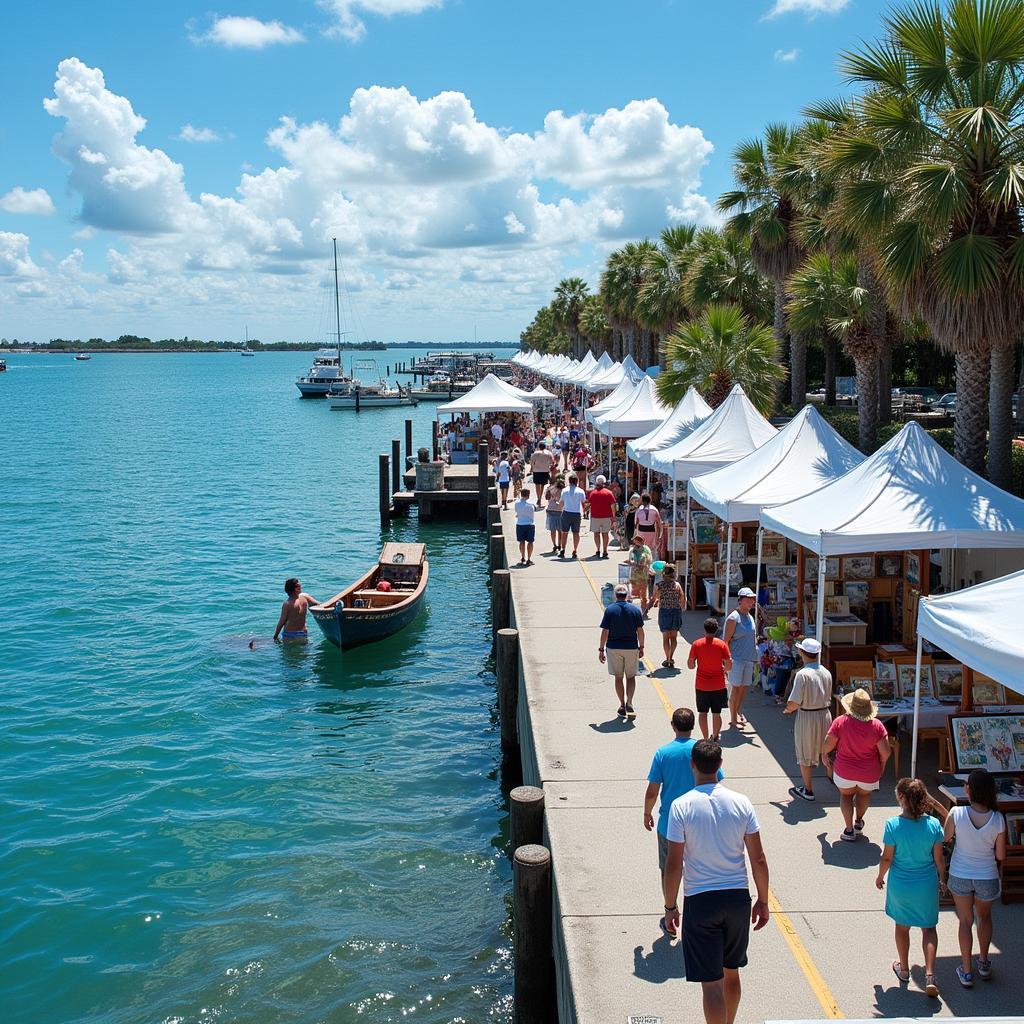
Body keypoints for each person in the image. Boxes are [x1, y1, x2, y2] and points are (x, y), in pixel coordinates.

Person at [662, 740, 770, 1024]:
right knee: (731, 972)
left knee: (711, 984)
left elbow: (674, 864)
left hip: (701, 901)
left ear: (692, 766)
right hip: (737, 899)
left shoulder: (681, 806)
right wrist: (763, 900)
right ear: (721, 765)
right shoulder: (742, 802)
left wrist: (670, 906)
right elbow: (758, 858)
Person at [644, 708, 723, 937]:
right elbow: (717, 781)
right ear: (692, 727)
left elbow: (652, 790)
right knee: (698, 868)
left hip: (669, 823)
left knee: (669, 868)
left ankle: (670, 909)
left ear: (673, 725)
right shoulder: (701, 751)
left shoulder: (662, 754)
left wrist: (647, 813)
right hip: (700, 822)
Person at [876, 778, 945, 999]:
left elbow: (887, 857)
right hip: (926, 884)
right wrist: (943, 879)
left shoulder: (893, 825)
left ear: (902, 798)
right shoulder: (933, 825)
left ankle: (904, 969)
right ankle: (930, 975)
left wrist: (879, 876)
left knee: (902, 927)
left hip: (901, 884)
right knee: (929, 929)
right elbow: (939, 860)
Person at [943, 768, 1006, 987]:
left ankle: (967, 971)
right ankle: (984, 962)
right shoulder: (998, 819)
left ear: (969, 790)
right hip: (986, 876)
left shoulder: (957, 813)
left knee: (965, 921)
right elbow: (1000, 855)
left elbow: (946, 837)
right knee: (984, 918)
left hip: (960, 873)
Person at [821, 688, 891, 840]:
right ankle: (858, 821)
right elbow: (885, 752)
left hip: (844, 771)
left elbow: (827, 744)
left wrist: (824, 754)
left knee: (845, 797)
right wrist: (882, 765)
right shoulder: (877, 726)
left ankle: (849, 830)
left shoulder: (840, 722)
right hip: (869, 772)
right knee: (864, 795)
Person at [782, 638, 833, 802]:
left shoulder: (802, 674)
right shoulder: (826, 672)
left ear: (803, 653)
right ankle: (833, 779)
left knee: (805, 753)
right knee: (827, 750)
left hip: (808, 716)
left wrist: (788, 709)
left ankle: (808, 789)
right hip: (825, 714)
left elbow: (794, 702)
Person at [598, 582, 645, 720]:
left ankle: (621, 705)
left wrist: (601, 649)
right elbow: (640, 631)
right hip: (631, 647)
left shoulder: (610, 610)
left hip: (614, 647)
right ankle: (629, 701)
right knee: (631, 677)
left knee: (618, 677)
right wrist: (641, 647)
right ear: (627, 595)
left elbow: (605, 631)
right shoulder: (635, 610)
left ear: (615, 595)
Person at [688, 617, 733, 741]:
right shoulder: (721, 644)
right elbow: (729, 665)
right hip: (718, 684)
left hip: (701, 685)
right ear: (716, 629)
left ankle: (705, 737)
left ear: (704, 629)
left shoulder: (697, 644)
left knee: (702, 713)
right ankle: (715, 736)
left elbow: (690, 665)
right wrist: (722, 670)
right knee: (716, 713)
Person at [723, 588, 757, 730]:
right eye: (748, 598)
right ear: (740, 600)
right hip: (736, 659)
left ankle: (738, 711)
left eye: (753, 598)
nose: (751, 601)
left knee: (743, 687)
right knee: (735, 689)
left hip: (748, 658)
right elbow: (725, 641)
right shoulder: (733, 618)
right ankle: (733, 719)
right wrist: (726, 660)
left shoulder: (750, 616)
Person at [652, 563, 684, 668]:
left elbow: (655, 597)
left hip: (664, 611)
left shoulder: (659, 585)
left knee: (665, 638)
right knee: (673, 637)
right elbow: (682, 598)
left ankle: (667, 658)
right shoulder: (677, 585)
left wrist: (657, 601)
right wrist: (681, 608)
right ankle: (671, 657)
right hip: (675, 611)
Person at [585, 474, 616, 558]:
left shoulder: (592, 493)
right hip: (607, 516)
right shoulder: (609, 493)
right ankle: (605, 550)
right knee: (605, 534)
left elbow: (588, 504)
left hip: (595, 516)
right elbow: (613, 506)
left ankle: (598, 549)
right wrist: (613, 517)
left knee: (596, 534)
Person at [558, 473, 586, 558]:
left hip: (566, 512)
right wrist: (584, 511)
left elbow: (561, 503)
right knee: (576, 533)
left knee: (564, 533)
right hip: (576, 513)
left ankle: (563, 550)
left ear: (569, 482)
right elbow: (583, 502)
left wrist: (559, 509)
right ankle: (575, 550)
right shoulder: (580, 491)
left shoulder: (564, 490)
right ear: (576, 482)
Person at [634, 493, 662, 557]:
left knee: (641, 547)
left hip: (641, 530)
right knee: (650, 548)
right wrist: (659, 535)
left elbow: (636, 523)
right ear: (650, 500)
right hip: (651, 530)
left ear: (642, 500)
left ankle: (642, 561)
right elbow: (659, 523)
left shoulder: (639, 510)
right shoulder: (654, 509)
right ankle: (649, 562)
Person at [514, 487, 536, 566]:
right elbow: (535, 509)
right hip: (530, 524)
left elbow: (516, 512)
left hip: (520, 524)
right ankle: (529, 559)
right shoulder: (531, 503)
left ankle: (523, 557)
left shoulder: (517, 503)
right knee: (530, 542)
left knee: (521, 542)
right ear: (528, 495)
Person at [529, 442, 554, 510]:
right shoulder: (548, 453)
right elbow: (552, 461)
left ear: (539, 447)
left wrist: (532, 468)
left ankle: (538, 498)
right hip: (545, 470)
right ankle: (540, 497)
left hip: (536, 471)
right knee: (543, 485)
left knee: (537, 484)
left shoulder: (535, 453)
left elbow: (531, 462)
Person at [543, 474, 565, 552]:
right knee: (560, 530)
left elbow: (547, 498)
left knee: (553, 530)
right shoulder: (564, 490)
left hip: (551, 510)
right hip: (560, 511)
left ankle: (554, 545)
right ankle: (559, 545)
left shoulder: (550, 488)